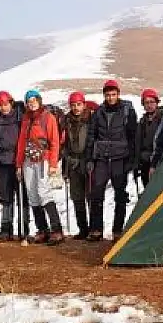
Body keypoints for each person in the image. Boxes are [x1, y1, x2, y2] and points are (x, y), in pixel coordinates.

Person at [85, 79, 138, 241]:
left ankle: (117, 230)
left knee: (120, 195)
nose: (110, 97)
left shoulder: (127, 111)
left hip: (120, 159)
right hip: (101, 158)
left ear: (118, 94)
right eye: (107, 95)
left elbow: (133, 137)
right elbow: (91, 136)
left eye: (113, 94)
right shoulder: (98, 113)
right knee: (97, 194)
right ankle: (96, 230)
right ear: (104, 95)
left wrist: (131, 160)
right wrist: (90, 158)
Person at [15, 90, 65, 244]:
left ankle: (57, 230)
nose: (32, 103)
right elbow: (21, 142)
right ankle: (42, 229)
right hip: (28, 160)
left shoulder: (48, 117)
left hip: (44, 158)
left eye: (34, 100)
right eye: (29, 101)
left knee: (44, 192)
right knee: (32, 194)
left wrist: (53, 164)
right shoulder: (25, 119)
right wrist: (18, 164)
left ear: (39, 100)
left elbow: (54, 141)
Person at [0, 91, 27, 241]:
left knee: (23, 197)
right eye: (0, 105)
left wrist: (22, 163)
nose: (3, 108)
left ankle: (24, 228)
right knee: (6, 197)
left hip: (19, 163)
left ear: (11, 103)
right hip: (2, 164)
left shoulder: (21, 120)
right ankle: (6, 229)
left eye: (5, 104)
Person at [60, 91, 93, 239]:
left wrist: (92, 159)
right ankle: (83, 229)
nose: (76, 107)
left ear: (84, 104)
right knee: (77, 197)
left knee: (91, 196)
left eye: (78, 104)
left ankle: (94, 229)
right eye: (73, 105)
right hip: (73, 163)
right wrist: (65, 163)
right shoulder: (66, 121)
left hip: (88, 162)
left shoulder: (91, 119)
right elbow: (64, 143)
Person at [133, 88, 163, 190]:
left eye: (152, 102)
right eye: (146, 102)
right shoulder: (142, 122)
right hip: (144, 162)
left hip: (159, 161)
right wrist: (136, 163)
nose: (149, 105)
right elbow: (138, 144)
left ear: (156, 103)